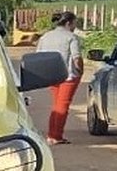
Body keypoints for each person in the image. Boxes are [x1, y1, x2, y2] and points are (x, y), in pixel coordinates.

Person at [35, 11, 83, 146]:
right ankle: (56, 136)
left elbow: (38, 55)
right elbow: (76, 57)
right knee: (63, 105)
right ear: (68, 23)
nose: (75, 26)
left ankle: (52, 135)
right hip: (68, 76)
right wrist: (79, 71)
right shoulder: (71, 37)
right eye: (74, 23)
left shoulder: (45, 37)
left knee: (56, 105)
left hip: (51, 75)